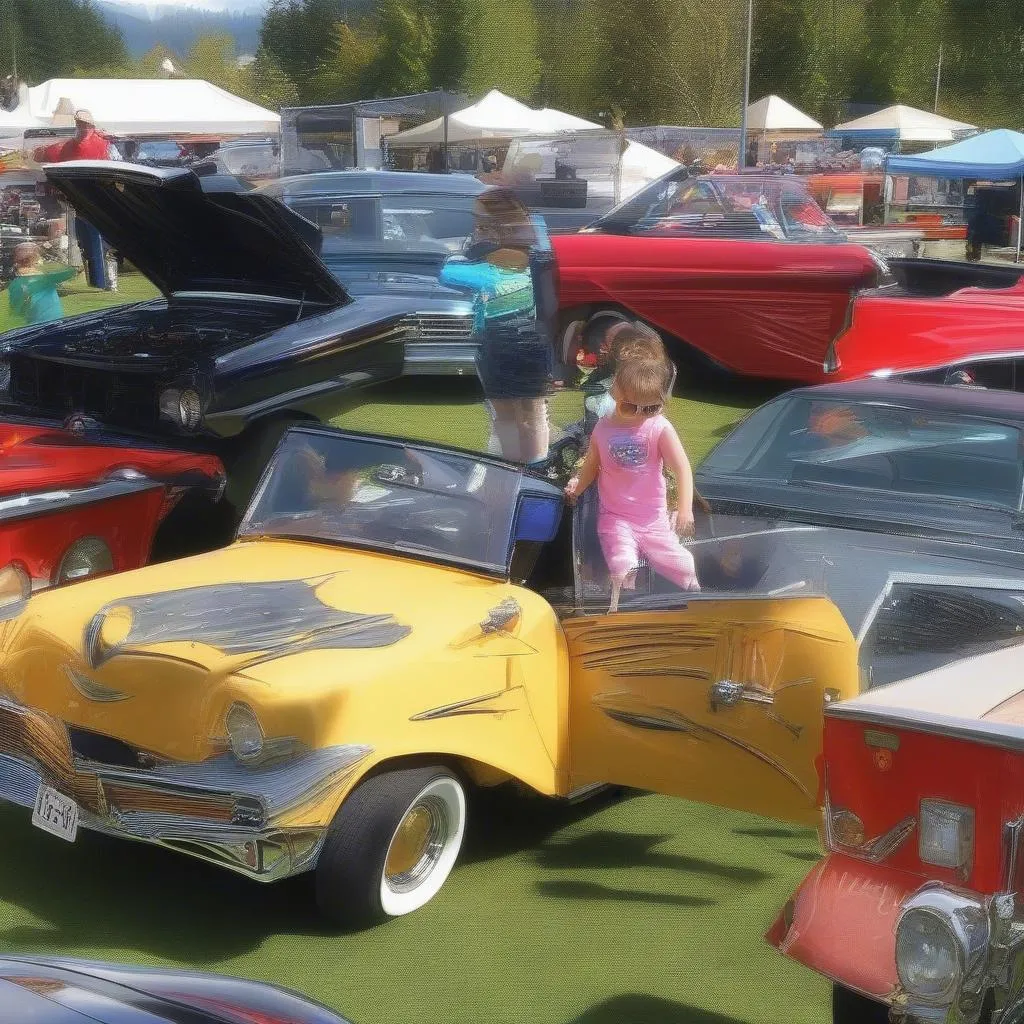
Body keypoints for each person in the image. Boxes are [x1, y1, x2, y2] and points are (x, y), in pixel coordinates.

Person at [564, 334, 699, 612]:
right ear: (615, 393)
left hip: (653, 519)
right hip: (616, 518)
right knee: (622, 565)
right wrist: (576, 487)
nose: (640, 414)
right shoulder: (603, 427)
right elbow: (592, 465)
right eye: (629, 407)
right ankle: (622, 610)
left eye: (650, 408)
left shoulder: (658, 427)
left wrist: (685, 509)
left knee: (682, 564)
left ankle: (699, 602)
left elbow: (682, 468)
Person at [440, 190, 555, 464]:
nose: (474, 223)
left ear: (495, 224)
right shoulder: (536, 248)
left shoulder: (488, 271)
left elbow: (447, 272)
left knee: (511, 415)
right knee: (533, 412)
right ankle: (533, 468)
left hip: (500, 344)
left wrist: (478, 245)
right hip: (530, 342)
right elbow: (539, 238)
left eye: (479, 219)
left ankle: (515, 469)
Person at [33, 110, 113, 290]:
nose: (81, 128)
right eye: (79, 124)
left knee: (94, 244)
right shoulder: (71, 146)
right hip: (81, 204)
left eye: (84, 125)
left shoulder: (100, 143)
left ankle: (101, 282)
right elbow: (46, 154)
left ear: (90, 126)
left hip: (93, 205)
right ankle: (96, 283)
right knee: (86, 245)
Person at [7, 242, 79, 325]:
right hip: (54, 323)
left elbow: (16, 311)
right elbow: (72, 272)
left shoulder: (16, 284)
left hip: (34, 326)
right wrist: (49, 252)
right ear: (36, 261)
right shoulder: (47, 278)